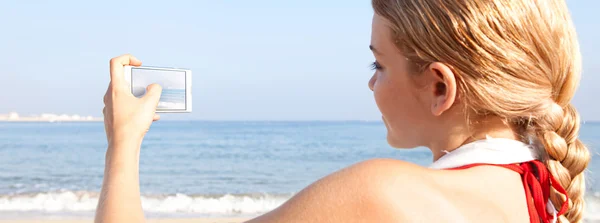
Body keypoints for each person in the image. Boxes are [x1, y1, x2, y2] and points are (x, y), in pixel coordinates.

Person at [95, 0, 590, 222]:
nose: (370, 82)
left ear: (440, 87)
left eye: (379, 64)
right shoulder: (548, 196)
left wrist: (123, 143)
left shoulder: (384, 196)